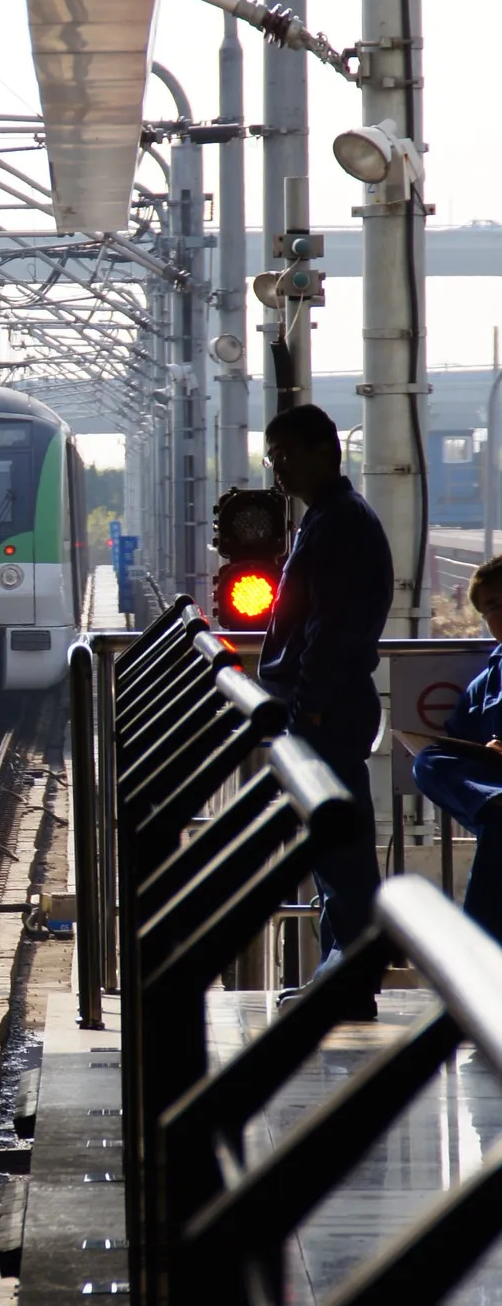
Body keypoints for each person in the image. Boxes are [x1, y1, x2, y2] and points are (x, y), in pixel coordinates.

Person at [255, 403, 394, 973]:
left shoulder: (339, 523)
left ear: (326, 450)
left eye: (287, 455)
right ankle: (342, 970)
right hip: (324, 707)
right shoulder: (330, 517)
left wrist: (308, 710)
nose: (278, 470)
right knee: (333, 846)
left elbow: (330, 628)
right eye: (272, 458)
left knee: (341, 849)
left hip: (327, 711)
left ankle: (350, 976)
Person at [410, 558, 502, 943]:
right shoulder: (486, 681)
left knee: (499, 834)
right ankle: (495, 803)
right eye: (491, 608)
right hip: (494, 784)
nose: (499, 614)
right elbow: (456, 743)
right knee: (428, 760)